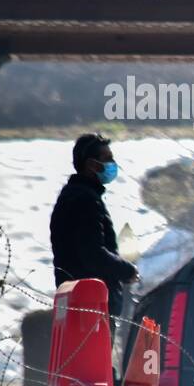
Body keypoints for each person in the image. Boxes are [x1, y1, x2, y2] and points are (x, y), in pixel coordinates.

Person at [50, 132, 140, 319]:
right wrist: (127, 270)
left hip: (72, 303)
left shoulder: (71, 196)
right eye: (107, 159)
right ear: (91, 164)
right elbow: (93, 254)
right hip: (90, 309)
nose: (112, 164)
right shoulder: (85, 200)